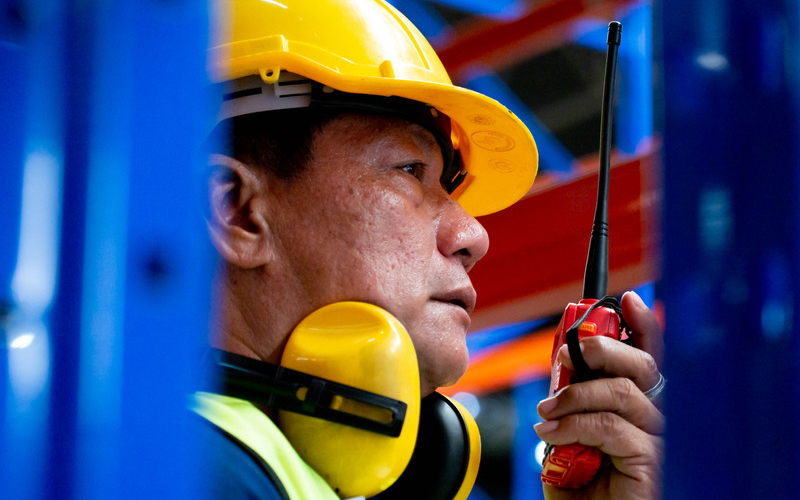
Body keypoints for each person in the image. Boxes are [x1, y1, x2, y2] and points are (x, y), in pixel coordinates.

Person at [191, 0, 665, 499]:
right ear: (238, 211)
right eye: (408, 170)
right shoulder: (199, 475)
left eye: (448, 187)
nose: (473, 236)